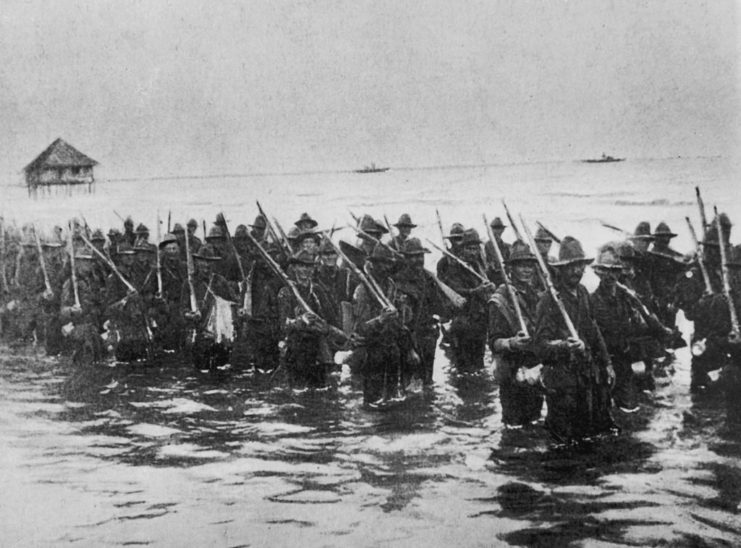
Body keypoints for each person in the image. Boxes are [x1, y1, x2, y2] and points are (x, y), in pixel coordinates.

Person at [534, 236, 616, 445]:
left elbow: (593, 331)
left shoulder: (582, 294)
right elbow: (540, 347)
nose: (577, 271)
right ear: (561, 269)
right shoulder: (549, 300)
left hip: (584, 377)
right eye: (571, 267)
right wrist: (565, 346)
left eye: (580, 266)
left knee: (585, 436)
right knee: (562, 439)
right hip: (560, 381)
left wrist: (607, 363)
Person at [590, 244, 671, 412]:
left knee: (630, 410)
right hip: (601, 363)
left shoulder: (627, 297)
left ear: (619, 272)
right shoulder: (591, 300)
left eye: (614, 270)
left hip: (624, 360)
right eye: (604, 270)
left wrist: (658, 332)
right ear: (597, 271)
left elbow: (640, 326)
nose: (609, 275)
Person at [488, 240, 544, 428]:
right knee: (514, 425)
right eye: (522, 266)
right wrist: (512, 342)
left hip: (534, 368)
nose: (527, 270)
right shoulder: (500, 298)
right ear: (511, 269)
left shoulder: (537, 294)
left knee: (534, 419)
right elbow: (494, 342)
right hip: (511, 369)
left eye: (530, 266)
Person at [277, 249, 339, 389]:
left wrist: (322, 325)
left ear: (313, 268)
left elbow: (331, 318)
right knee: (298, 393)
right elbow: (283, 324)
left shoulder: (318, 290)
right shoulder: (286, 292)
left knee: (320, 392)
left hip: (317, 349)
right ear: (294, 267)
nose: (305, 270)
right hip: (296, 348)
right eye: (301, 266)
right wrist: (300, 320)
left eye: (308, 266)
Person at [352, 244, 404, 405]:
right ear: (373, 264)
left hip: (391, 346)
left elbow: (400, 321)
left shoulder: (391, 285)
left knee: (393, 397)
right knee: (372, 400)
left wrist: (401, 311)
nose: (385, 267)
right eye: (382, 263)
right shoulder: (362, 289)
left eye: (388, 263)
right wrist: (380, 320)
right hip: (373, 349)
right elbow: (361, 327)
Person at [394, 237, 448, 385]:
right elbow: (400, 322)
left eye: (420, 256)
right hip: (409, 340)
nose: (418, 260)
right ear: (405, 258)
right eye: (413, 257)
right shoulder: (399, 283)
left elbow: (439, 306)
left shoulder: (428, 278)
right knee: (410, 385)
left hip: (428, 337)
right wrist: (409, 349)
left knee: (428, 382)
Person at [441, 229, 495, 370]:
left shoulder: (479, 266)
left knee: (479, 361)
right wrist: (476, 291)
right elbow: (454, 291)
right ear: (463, 249)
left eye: (476, 249)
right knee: (463, 363)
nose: (473, 252)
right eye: (469, 249)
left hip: (480, 320)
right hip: (463, 321)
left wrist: (491, 287)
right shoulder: (454, 268)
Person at [182, 243, 238, 370]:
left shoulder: (220, 281)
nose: (206, 265)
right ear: (197, 262)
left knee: (221, 372)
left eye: (209, 262)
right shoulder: (190, 283)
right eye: (203, 261)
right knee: (201, 372)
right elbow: (182, 309)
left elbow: (234, 303)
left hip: (219, 336)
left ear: (214, 263)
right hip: (199, 335)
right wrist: (189, 315)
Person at [105, 242, 151, 362]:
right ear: (120, 258)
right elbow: (109, 309)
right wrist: (126, 299)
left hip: (138, 328)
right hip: (122, 329)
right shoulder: (113, 279)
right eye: (126, 255)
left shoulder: (135, 277)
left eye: (131, 255)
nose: (130, 258)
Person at [60, 250, 105, 365]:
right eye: (84, 261)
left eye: (89, 262)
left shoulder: (95, 282)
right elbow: (62, 310)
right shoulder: (70, 283)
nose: (88, 265)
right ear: (77, 263)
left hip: (94, 325)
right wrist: (72, 310)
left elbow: (101, 303)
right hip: (77, 326)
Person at [484, 217, 511, 285]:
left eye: (499, 228)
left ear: (502, 230)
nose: (497, 231)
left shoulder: (507, 247)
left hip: (504, 276)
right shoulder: (486, 246)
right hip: (490, 277)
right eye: (494, 228)